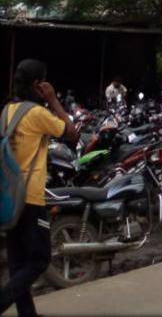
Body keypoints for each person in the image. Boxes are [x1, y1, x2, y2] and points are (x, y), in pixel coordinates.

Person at [1, 59, 79, 316]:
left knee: (17, 262)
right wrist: (53, 100)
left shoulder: (7, 111)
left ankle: (28, 314)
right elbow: (72, 134)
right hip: (31, 197)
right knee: (39, 260)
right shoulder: (37, 114)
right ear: (37, 85)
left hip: (9, 197)